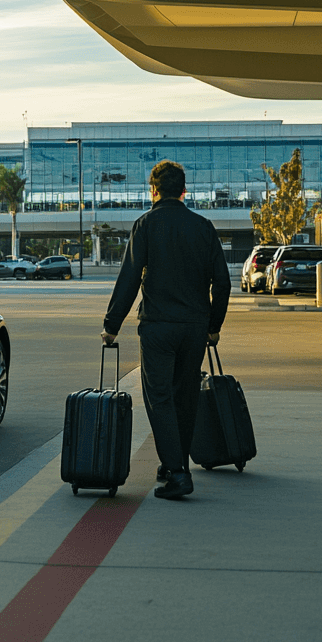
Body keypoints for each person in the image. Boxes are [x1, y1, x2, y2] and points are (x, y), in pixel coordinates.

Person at [101, 160, 230, 500]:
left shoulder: (145, 225)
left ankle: (177, 472)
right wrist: (213, 326)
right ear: (183, 190)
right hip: (194, 328)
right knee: (183, 396)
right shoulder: (204, 227)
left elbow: (129, 277)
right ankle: (173, 461)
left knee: (159, 398)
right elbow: (224, 282)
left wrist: (111, 326)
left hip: (158, 327)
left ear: (154, 190)